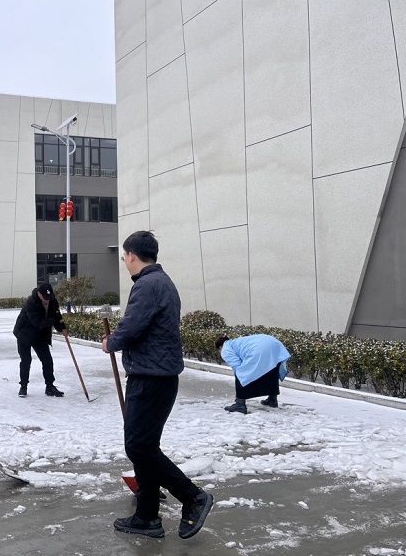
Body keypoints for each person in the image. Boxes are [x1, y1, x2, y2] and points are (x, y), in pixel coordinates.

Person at [101, 231, 213, 540]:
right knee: (144, 448)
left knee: (138, 447)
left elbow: (131, 328)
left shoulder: (147, 285)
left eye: (125, 257)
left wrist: (111, 342)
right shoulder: (162, 282)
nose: (125, 261)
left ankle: (193, 497)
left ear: (133, 256)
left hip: (150, 378)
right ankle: (147, 516)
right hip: (159, 377)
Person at [13, 283, 66, 398]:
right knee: (26, 361)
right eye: (44, 298)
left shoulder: (52, 301)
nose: (47, 300)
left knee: (47, 360)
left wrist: (62, 327)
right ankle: (23, 387)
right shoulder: (31, 303)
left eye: (49, 298)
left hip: (39, 335)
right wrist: (53, 321)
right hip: (24, 334)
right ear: (39, 294)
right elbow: (37, 322)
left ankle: (50, 386)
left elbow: (57, 315)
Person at [217, 334, 291, 414]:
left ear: (220, 347)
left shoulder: (225, 348)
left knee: (241, 373)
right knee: (271, 370)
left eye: (218, 351)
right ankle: (272, 399)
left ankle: (240, 404)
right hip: (275, 344)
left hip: (260, 349)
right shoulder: (237, 342)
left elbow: (237, 366)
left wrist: (242, 380)